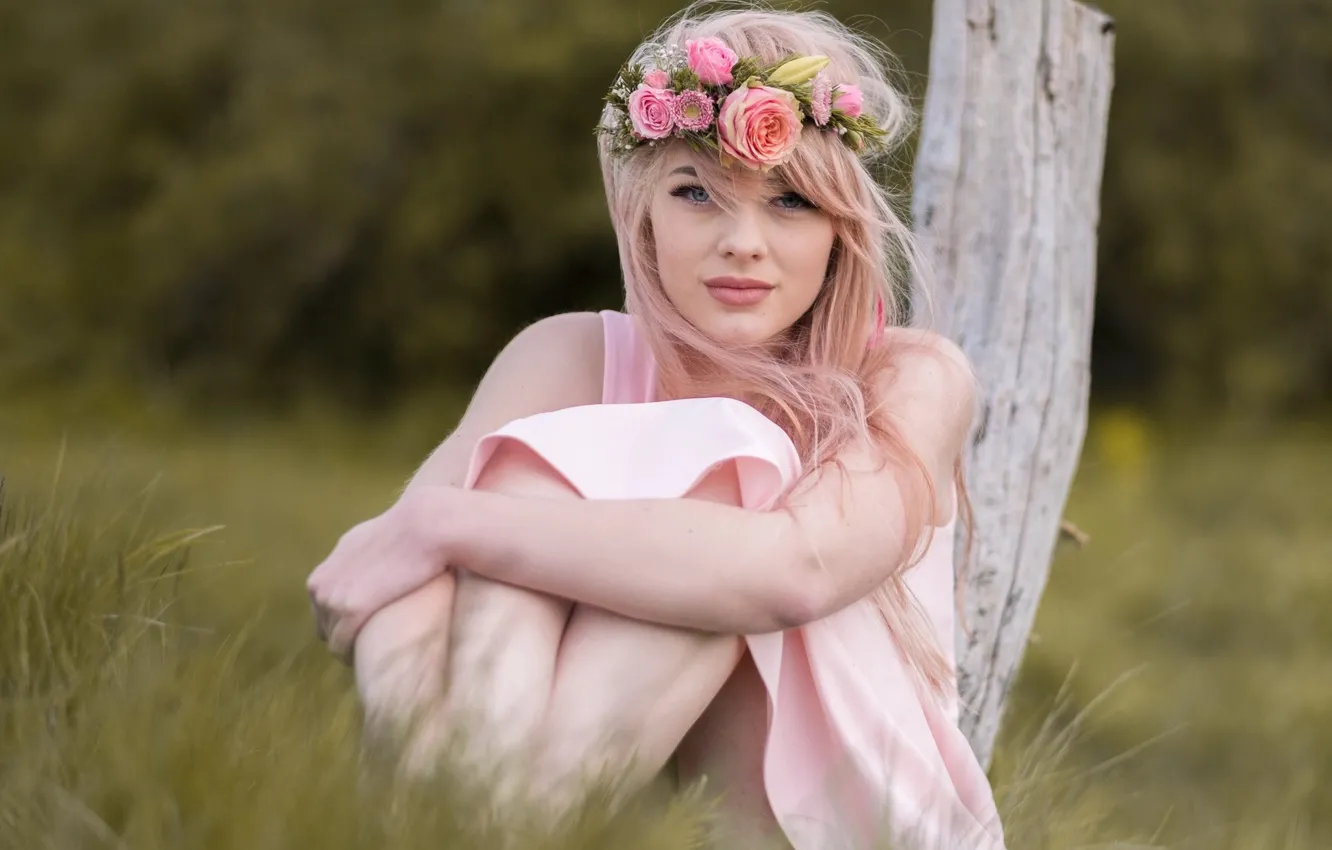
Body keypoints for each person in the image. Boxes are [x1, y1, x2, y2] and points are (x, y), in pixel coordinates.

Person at [306, 4, 1007, 849]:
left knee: (720, 467)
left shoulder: (908, 377)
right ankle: (472, 825)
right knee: (526, 481)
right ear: (643, 211)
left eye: (789, 199)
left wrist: (444, 519)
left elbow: (795, 572)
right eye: (695, 193)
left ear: (840, 226)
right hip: (558, 802)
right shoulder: (565, 359)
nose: (743, 242)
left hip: (837, 835)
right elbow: (390, 594)